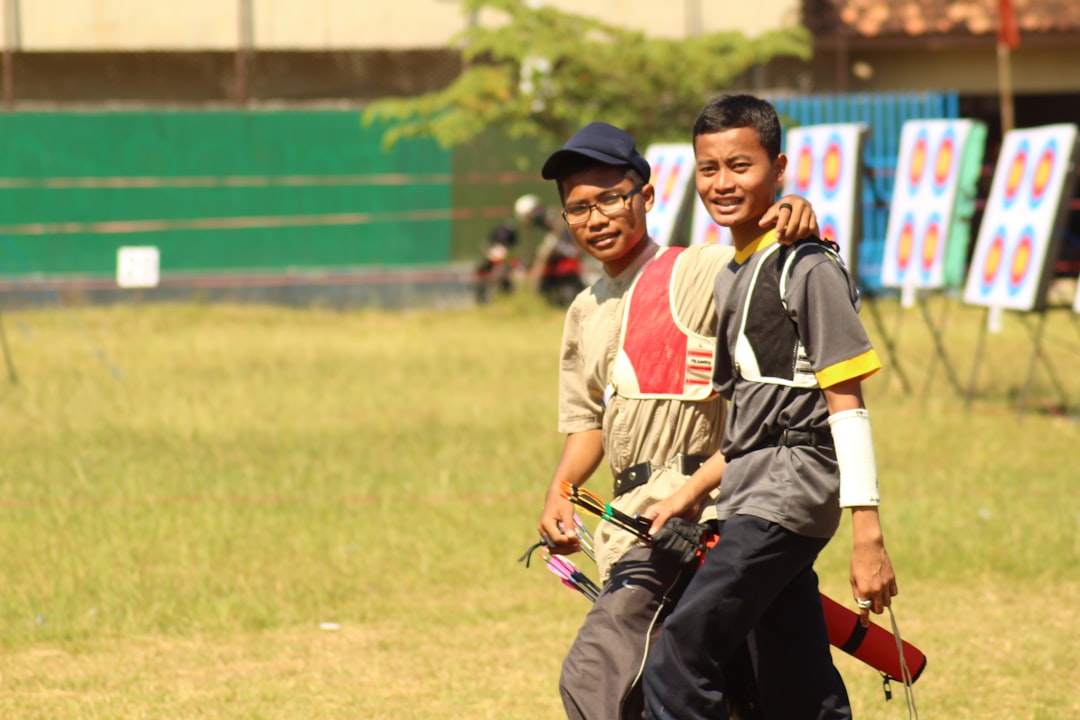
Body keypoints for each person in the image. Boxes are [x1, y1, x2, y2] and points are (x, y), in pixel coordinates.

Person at [534, 120, 821, 720]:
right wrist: (560, 489)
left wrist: (791, 212)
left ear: (646, 195)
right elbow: (585, 421)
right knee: (698, 686)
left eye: (610, 198)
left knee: (597, 677)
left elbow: (771, 267)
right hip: (632, 524)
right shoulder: (586, 309)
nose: (595, 219)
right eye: (577, 209)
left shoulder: (699, 268)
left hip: (704, 514)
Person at [640, 94, 899, 719]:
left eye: (741, 166)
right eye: (709, 168)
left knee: (681, 651)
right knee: (795, 677)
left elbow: (846, 403)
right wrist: (691, 492)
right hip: (751, 491)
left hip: (789, 493)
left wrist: (868, 537)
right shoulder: (732, 273)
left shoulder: (807, 266)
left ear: (778, 168)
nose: (722, 183)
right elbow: (753, 424)